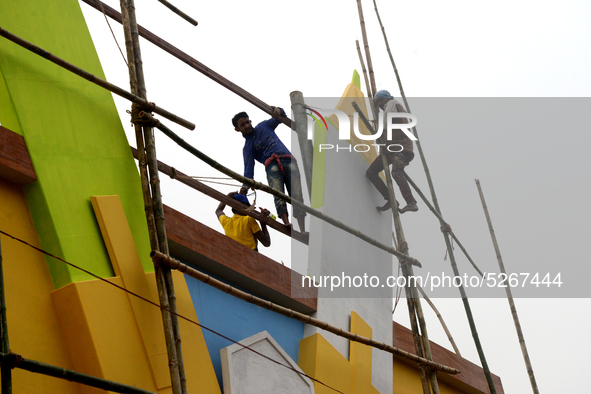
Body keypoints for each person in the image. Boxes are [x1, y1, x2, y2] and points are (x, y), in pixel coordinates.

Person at [232, 107, 307, 233]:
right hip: (271, 165)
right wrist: (245, 187)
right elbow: (248, 170)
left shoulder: (263, 126)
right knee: (278, 193)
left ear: (250, 121)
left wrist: (278, 110)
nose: (246, 125)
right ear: (237, 129)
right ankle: (287, 223)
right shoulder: (247, 147)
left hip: (288, 159)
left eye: (247, 122)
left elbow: (280, 117)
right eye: (242, 125)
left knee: (296, 194)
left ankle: (302, 229)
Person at [366, 90, 418, 214]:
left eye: (381, 100)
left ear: (387, 98)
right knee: (371, 172)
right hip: (391, 149)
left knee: (396, 172)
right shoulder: (395, 107)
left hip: (400, 147)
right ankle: (390, 199)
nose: (379, 104)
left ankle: (411, 202)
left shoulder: (392, 103)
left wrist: (380, 134)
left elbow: (388, 121)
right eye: (377, 102)